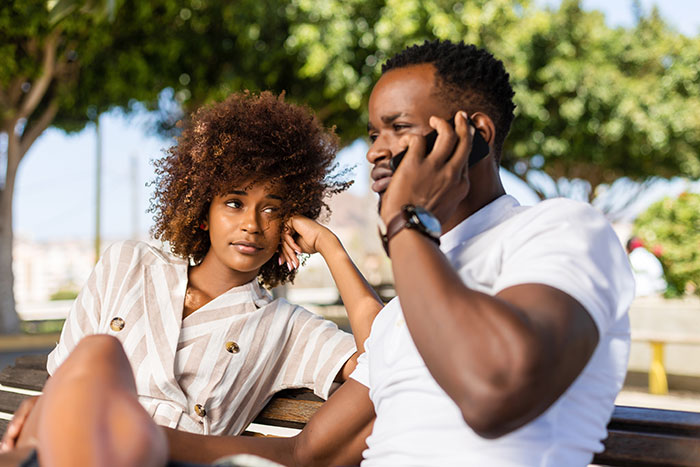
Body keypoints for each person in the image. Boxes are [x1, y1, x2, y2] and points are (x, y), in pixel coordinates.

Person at [2, 40, 635, 467]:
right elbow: (308, 453)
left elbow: (494, 390)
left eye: (400, 128)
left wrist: (399, 225)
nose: (377, 152)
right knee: (96, 358)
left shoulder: (561, 230)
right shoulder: (421, 291)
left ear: (477, 134)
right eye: (372, 133)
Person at [0, 91, 382, 453]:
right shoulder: (128, 264)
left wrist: (331, 248)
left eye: (271, 209)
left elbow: (385, 358)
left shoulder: (286, 327)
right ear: (203, 213)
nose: (251, 224)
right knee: (97, 354)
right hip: (75, 444)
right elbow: (64, 380)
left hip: (168, 454)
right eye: (234, 203)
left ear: (290, 221)